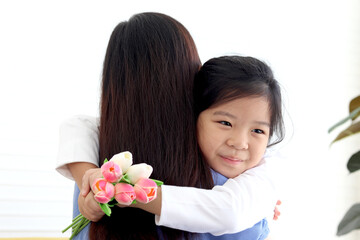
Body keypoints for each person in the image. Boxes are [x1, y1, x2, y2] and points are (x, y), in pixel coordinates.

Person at [57, 12, 281, 239]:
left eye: (257, 130)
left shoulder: (100, 167)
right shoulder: (228, 181)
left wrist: (106, 186)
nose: (240, 142)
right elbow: (230, 211)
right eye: (225, 122)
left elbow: (79, 127)